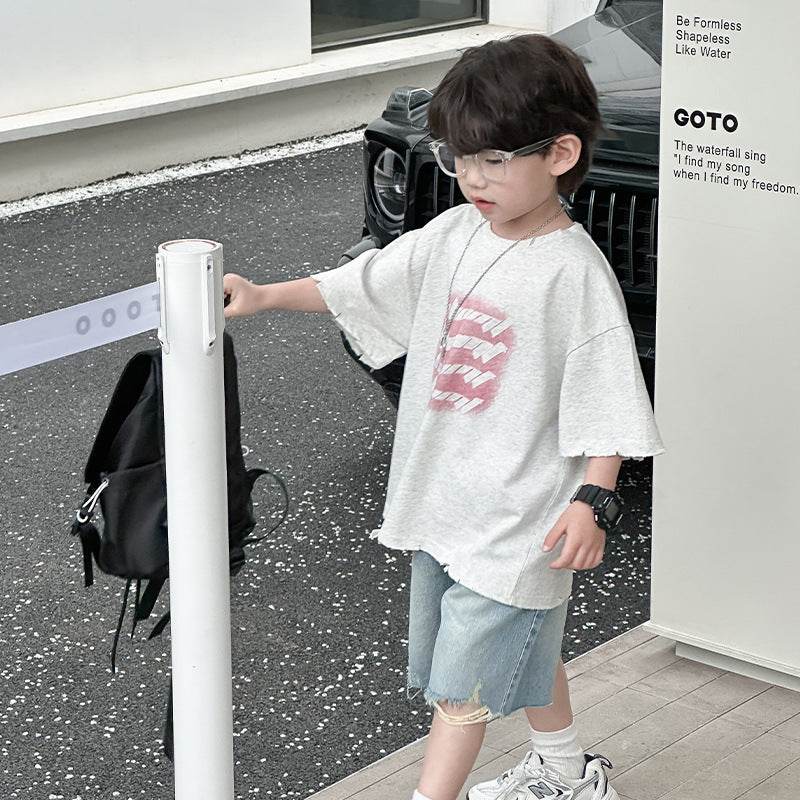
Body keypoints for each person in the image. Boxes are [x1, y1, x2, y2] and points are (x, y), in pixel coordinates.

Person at [223, 32, 665, 800]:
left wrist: (594, 498)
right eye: (458, 158)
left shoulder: (572, 274)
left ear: (560, 154)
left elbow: (606, 391)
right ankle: (567, 774)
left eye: (493, 159)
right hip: (448, 497)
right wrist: (263, 297)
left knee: (462, 689)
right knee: (523, 645)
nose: (471, 178)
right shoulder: (456, 233)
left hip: (520, 518)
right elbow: (363, 284)